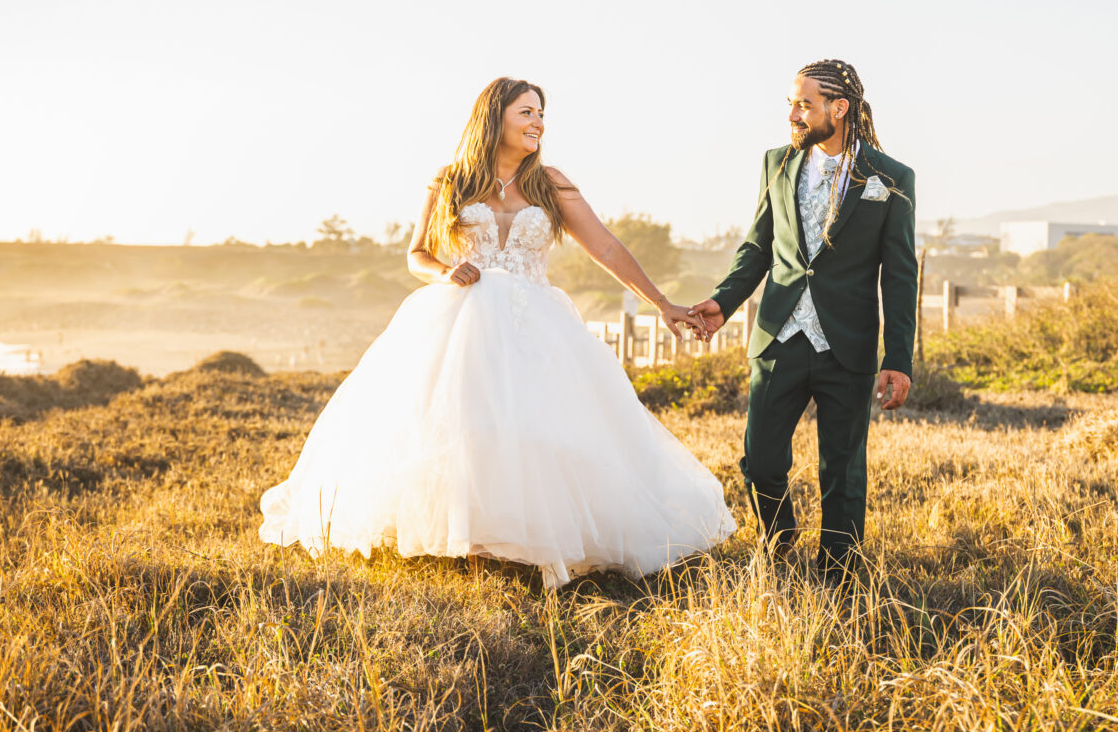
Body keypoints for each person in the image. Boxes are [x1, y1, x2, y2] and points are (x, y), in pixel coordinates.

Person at [260, 77, 736, 588]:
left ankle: (533, 537)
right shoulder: (450, 181)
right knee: (465, 424)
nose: (538, 123)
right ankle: (471, 540)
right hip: (465, 317)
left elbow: (607, 248)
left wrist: (661, 303)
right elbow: (416, 253)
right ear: (496, 117)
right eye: (526, 113)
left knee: (541, 425)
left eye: (540, 114)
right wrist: (445, 272)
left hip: (537, 324)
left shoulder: (549, 183)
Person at [691, 59, 916, 587]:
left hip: (849, 345)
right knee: (761, 462)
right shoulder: (777, 164)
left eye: (804, 104)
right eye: (791, 103)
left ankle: (839, 574)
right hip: (778, 337)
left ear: (839, 109)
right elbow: (757, 247)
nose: (793, 113)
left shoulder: (891, 178)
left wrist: (898, 359)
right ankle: (779, 543)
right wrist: (723, 304)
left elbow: (900, 277)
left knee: (842, 471)